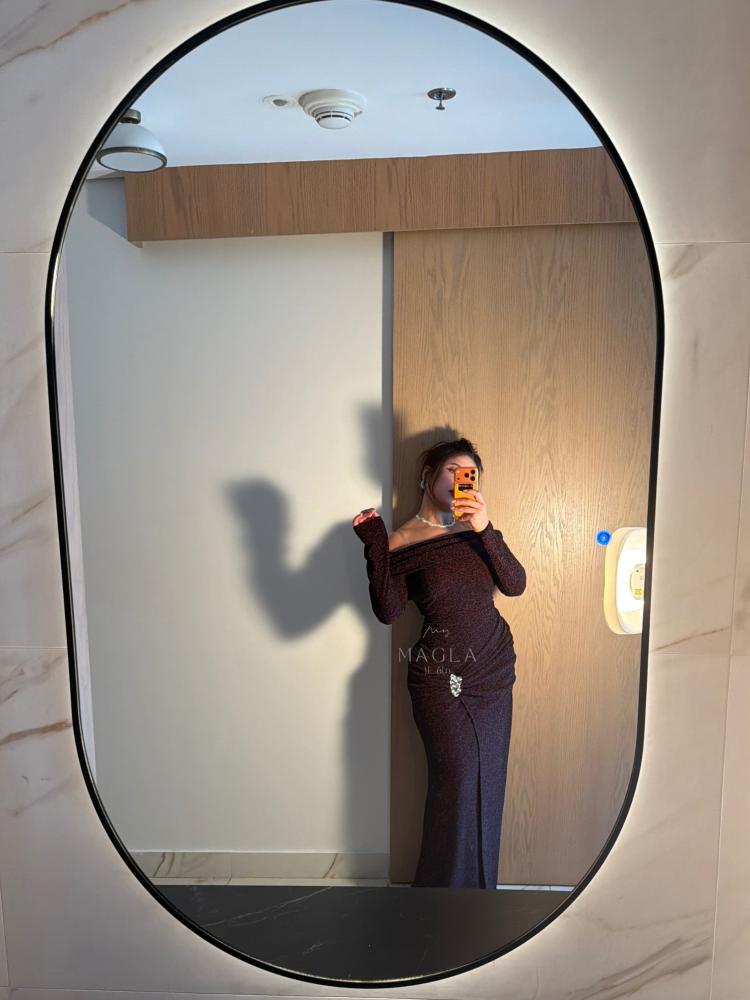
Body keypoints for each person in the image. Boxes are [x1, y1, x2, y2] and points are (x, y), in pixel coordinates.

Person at [352, 437, 526, 889]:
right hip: (440, 678)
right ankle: (438, 900)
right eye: (452, 470)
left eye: (470, 475)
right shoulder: (403, 539)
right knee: (458, 783)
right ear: (427, 474)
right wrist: (375, 545)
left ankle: (479, 897)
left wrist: (485, 528)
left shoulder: (479, 531)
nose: (460, 480)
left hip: (492, 670)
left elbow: (515, 584)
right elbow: (389, 610)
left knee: (488, 782)